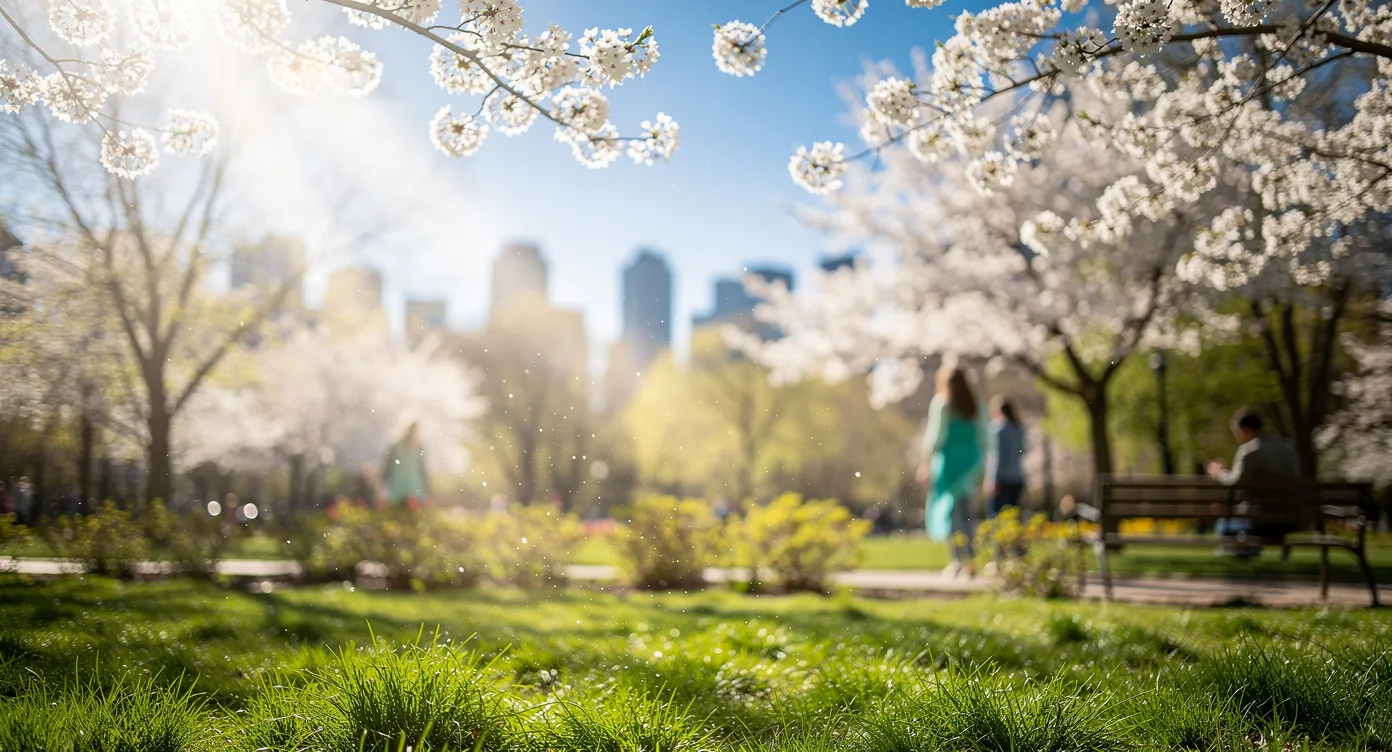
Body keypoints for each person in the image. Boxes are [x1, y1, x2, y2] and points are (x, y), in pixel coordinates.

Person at [916, 362, 988, 576]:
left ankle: (957, 560)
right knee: (968, 513)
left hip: (950, 462)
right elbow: (985, 437)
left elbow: (935, 436)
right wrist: (982, 464)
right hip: (971, 461)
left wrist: (925, 463)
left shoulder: (942, 404)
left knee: (951, 513)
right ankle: (972, 560)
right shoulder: (976, 405)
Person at [1205, 407, 1302, 556]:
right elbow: (1296, 477)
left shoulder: (1249, 451)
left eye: (1235, 430)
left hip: (1258, 520)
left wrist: (1218, 473)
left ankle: (1240, 553)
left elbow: (1235, 482)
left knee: (1223, 525)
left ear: (1244, 429)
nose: (1235, 435)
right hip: (1289, 518)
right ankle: (1248, 550)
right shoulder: (1287, 447)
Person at [985, 397, 1027, 519]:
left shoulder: (998, 428)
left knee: (996, 516)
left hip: (1002, 479)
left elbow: (997, 455)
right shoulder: (1018, 428)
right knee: (1014, 517)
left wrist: (993, 479)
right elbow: (1022, 451)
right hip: (1017, 477)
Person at [381, 421, 431, 507]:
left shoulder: (400, 446)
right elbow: (423, 469)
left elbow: (388, 466)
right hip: (407, 483)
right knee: (408, 506)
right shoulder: (398, 446)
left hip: (403, 484)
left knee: (401, 507)